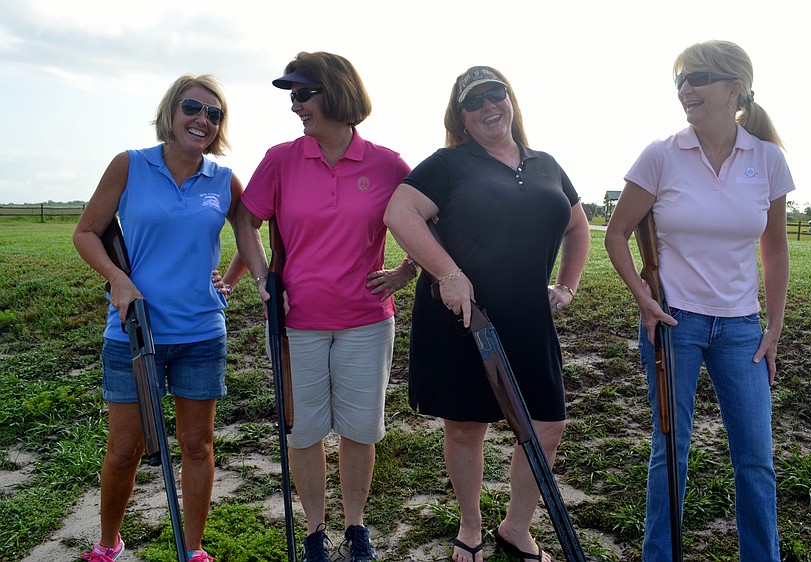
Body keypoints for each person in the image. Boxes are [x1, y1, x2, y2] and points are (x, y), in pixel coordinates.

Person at [383, 66, 591, 562]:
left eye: (494, 95)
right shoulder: (448, 163)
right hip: (463, 317)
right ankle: (471, 525)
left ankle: (516, 528)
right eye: (472, 103)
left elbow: (578, 227)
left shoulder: (546, 163)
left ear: (510, 99)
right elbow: (400, 213)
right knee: (466, 426)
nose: (487, 108)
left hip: (528, 316)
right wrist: (449, 274)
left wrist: (566, 284)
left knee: (546, 424)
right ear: (461, 116)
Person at [604, 40, 793, 561]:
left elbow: (774, 248)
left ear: (736, 87)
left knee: (756, 458)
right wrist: (645, 300)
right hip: (674, 324)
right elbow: (616, 233)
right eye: (680, 80)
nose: (686, 88)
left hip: (741, 331)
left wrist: (773, 327)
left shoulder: (768, 159)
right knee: (671, 453)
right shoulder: (661, 155)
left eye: (699, 77)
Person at [231, 51, 415, 562]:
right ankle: (315, 531)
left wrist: (405, 272)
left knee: (359, 430)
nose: (295, 107)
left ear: (335, 92)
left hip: (367, 322)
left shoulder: (387, 163)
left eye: (303, 94)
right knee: (305, 428)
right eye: (292, 96)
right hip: (299, 324)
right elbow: (245, 219)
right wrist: (266, 280)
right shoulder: (280, 159)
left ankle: (356, 527)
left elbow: (428, 223)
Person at [73, 74, 247, 561]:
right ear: (171, 111)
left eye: (214, 114)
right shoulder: (130, 165)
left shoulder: (223, 179)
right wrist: (117, 279)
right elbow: (87, 232)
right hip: (133, 332)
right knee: (124, 449)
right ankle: (108, 543)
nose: (203, 120)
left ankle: (193, 549)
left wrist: (231, 279)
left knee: (197, 445)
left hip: (200, 333)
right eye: (193, 108)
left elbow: (251, 233)